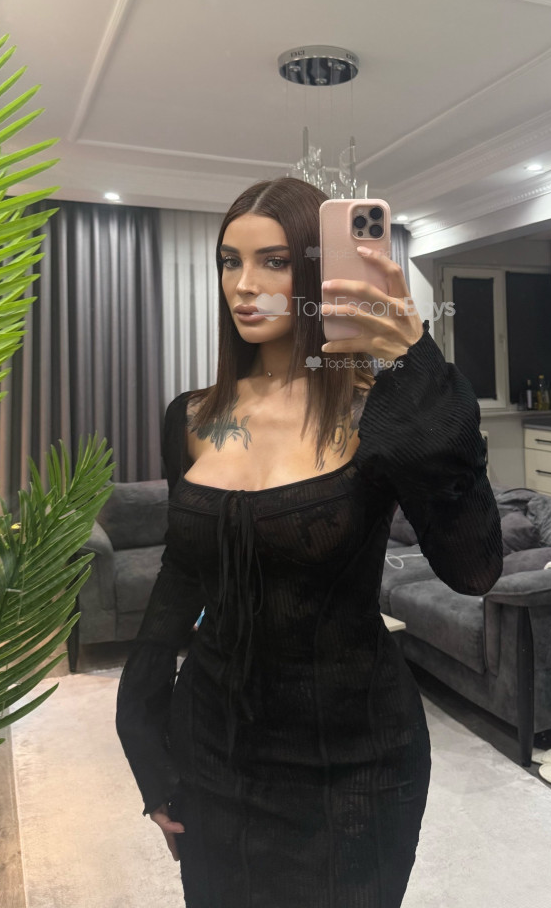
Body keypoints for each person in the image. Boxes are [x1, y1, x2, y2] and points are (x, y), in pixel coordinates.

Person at [115, 176, 503, 907]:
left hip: (357, 761)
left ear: (320, 274)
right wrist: (141, 732)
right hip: (211, 749)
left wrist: (417, 363)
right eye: (230, 261)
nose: (244, 285)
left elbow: (473, 569)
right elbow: (180, 576)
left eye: (274, 262)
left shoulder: (377, 415)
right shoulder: (193, 417)